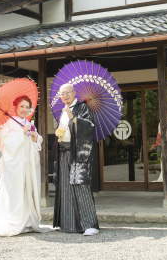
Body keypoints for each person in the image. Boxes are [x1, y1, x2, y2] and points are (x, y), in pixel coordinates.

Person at [0, 95, 51, 237]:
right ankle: (12, 219)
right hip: (14, 164)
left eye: (27, 107)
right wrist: (22, 132)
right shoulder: (8, 123)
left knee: (27, 190)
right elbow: (5, 143)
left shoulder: (28, 122)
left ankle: (27, 221)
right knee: (14, 191)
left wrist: (34, 137)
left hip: (27, 163)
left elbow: (37, 141)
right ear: (16, 108)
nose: (25, 110)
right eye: (22, 107)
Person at [53, 83, 100, 236]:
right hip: (64, 151)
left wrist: (72, 117)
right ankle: (68, 224)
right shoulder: (63, 111)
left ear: (74, 93)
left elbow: (90, 127)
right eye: (62, 94)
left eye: (67, 92)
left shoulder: (83, 108)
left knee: (80, 185)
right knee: (65, 186)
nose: (65, 96)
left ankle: (90, 225)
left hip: (78, 153)